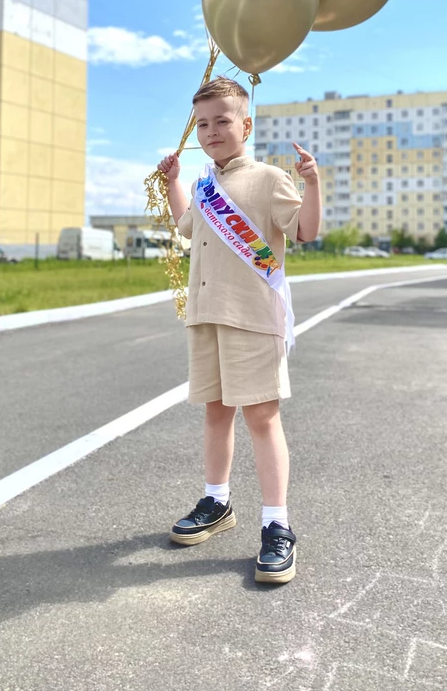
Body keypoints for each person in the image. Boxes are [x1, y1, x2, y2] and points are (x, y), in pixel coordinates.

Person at [157, 76, 321, 584]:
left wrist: (312, 182)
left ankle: (277, 525)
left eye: (222, 120)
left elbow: (305, 231)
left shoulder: (270, 179)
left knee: (263, 420)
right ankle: (217, 501)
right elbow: (186, 225)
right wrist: (172, 183)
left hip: (252, 319)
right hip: (206, 316)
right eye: (202, 123)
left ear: (245, 124)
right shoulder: (206, 187)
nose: (211, 131)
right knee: (215, 414)